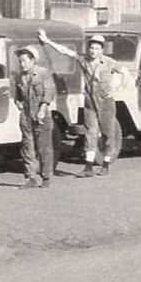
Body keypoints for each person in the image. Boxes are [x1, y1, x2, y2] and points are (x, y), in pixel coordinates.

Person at [39, 30, 129, 177]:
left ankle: (105, 164)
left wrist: (117, 91)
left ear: (102, 50)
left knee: (107, 134)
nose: (93, 51)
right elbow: (66, 52)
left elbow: (125, 72)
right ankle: (88, 167)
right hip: (89, 101)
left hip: (105, 101)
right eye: (91, 48)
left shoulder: (108, 62)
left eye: (97, 48)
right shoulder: (84, 60)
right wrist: (47, 41)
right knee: (90, 132)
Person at [14, 45, 56, 189]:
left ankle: (46, 177)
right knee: (28, 147)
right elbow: (18, 96)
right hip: (26, 116)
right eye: (20, 61)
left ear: (33, 60)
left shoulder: (43, 73)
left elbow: (49, 93)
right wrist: (18, 103)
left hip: (41, 116)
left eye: (25, 61)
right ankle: (31, 177)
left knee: (44, 148)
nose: (22, 64)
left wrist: (42, 109)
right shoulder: (20, 76)